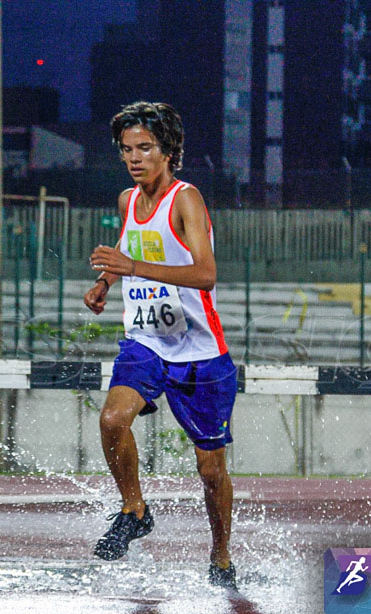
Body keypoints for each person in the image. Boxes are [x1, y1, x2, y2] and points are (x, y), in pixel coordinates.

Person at [84, 101, 238, 589]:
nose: (135, 158)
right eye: (127, 149)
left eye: (145, 148)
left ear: (168, 150)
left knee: (210, 469)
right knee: (112, 419)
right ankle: (134, 508)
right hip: (146, 340)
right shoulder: (127, 201)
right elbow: (131, 251)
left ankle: (221, 557)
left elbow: (206, 274)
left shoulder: (185, 199)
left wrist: (129, 270)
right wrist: (106, 284)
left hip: (200, 352)